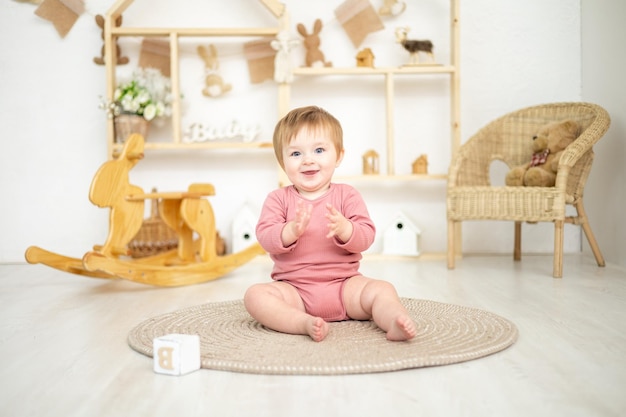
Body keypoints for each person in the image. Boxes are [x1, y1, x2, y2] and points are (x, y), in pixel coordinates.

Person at [244, 106, 417, 342]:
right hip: (295, 291)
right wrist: (290, 230)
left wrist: (347, 229)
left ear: (338, 155)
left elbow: (366, 237)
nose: (308, 160)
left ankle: (394, 320)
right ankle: (301, 322)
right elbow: (265, 237)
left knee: (382, 289)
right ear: (282, 161)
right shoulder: (278, 199)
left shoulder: (347, 195)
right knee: (255, 296)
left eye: (319, 150)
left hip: (345, 287)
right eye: (295, 154)